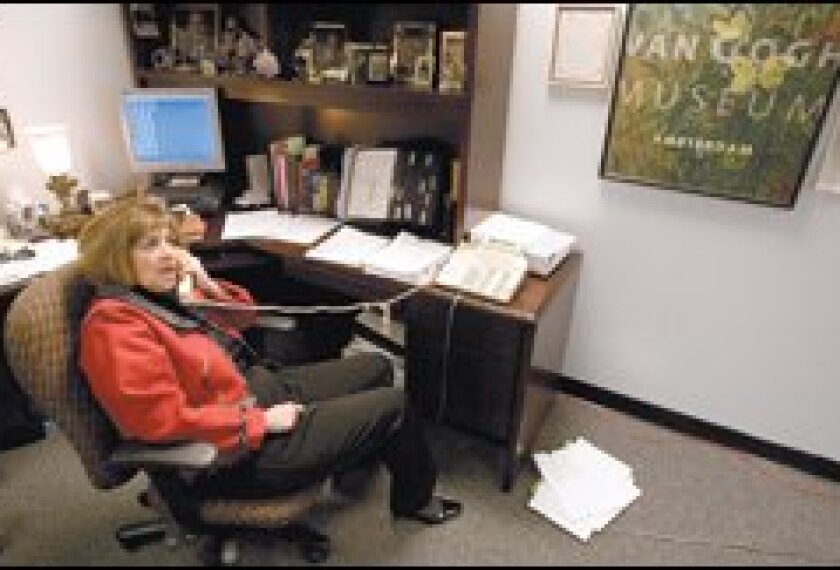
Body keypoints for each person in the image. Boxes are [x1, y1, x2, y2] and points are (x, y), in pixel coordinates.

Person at [76, 194, 461, 524]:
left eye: (168, 242)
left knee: (376, 367)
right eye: (149, 245)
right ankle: (415, 502)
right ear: (115, 258)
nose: (169, 256)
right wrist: (260, 422)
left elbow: (245, 319)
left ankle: (350, 453)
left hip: (251, 389)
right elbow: (161, 423)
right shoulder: (114, 329)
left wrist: (206, 284)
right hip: (232, 451)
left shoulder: (153, 297)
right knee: (395, 404)